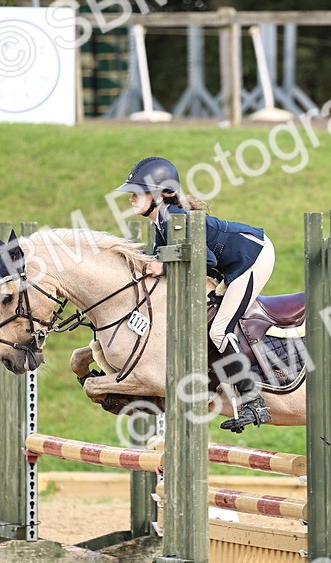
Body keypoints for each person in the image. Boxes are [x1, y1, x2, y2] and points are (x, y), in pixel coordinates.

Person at [115, 156, 274, 433]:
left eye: (138, 191)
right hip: (231, 263)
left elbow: (207, 261)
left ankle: (254, 401)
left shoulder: (174, 217)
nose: (131, 197)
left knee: (219, 330)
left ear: (161, 193)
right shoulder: (161, 221)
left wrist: (162, 266)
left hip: (252, 257)